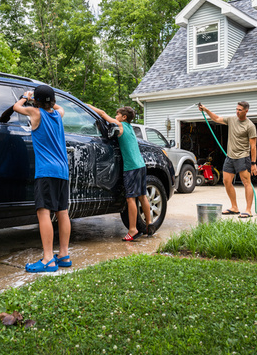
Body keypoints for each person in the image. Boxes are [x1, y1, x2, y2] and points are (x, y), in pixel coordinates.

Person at [13, 85, 72, 273]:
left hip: (46, 171)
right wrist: (47, 102)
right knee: (62, 211)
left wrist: (25, 96)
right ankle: (63, 255)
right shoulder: (58, 115)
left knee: (44, 212)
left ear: (36, 101)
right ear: (52, 101)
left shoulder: (35, 113)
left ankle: (48, 259)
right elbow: (59, 107)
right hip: (63, 171)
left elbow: (16, 107)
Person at [88, 104, 153, 240]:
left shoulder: (121, 125)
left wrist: (86, 106)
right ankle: (149, 224)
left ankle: (133, 229)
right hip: (141, 165)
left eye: (117, 114)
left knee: (130, 199)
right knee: (142, 196)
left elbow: (102, 112)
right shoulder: (130, 128)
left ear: (124, 117)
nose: (115, 117)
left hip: (131, 168)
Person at [198, 101, 257, 218]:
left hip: (243, 157)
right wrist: (205, 110)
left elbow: (253, 146)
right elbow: (216, 118)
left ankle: (248, 210)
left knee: (246, 183)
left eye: (240, 110)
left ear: (246, 111)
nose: (237, 111)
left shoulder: (250, 126)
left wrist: (253, 163)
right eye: (236, 109)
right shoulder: (231, 119)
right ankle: (234, 207)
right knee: (226, 181)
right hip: (230, 157)